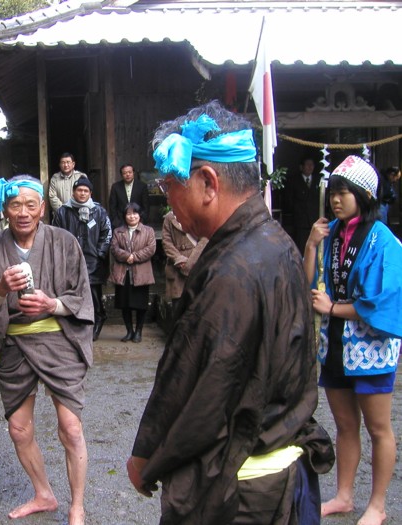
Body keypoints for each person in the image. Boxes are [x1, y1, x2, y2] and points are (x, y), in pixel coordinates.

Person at [127, 101, 334, 524]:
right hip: (282, 473)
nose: (168, 204)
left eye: (170, 188)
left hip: (243, 494)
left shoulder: (233, 272)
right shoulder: (276, 242)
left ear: (208, 182)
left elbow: (205, 394)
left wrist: (149, 455)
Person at [0, 175, 93, 525]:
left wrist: (52, 304)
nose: (23, 212)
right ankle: (43, 493)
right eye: (15, 205)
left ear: (42, 208)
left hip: (58, 339)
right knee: (19, 429)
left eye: (30, 204)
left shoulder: (65, 242)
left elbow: (82, 295)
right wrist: (0, 287)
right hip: (15, 342)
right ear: (4, 209)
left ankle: (77, 506)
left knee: (70, 427)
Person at [304, 155, 402, 525]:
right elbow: (308, 284)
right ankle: (344, 496)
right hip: (337, 344)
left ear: (363, 194)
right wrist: (312, 246)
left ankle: (377, 505)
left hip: (372, 347)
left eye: (344, 192)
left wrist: (334, 308)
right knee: (345, 425)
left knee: (379, 428)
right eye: (333, 193)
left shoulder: (384, 241)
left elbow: (384, 301)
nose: (336, 200)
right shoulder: (331, 235)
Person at [52, 177, 112, 341]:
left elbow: (107, 232)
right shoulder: (63, 211)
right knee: (72, 291)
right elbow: (55, 235)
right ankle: (77, 324)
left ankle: (98, 319)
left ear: (90, 193)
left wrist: (100, 253)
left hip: (93, 260)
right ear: (73, 192)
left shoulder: (98, 211)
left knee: (93, 293)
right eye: (79, 190)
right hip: (70, 260)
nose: (82, 193)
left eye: (86, 191)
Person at [108, 203, 156, 343]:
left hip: (141, 273)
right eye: (129, 214)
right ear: (124, 216)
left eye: (135, 213)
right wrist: (126, 256)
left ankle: (139, 331)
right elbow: (114, 248)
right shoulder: (118, 231)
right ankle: (129, 331)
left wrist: (134, 257)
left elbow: (151, 248)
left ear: (140, 215)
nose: (132, 216)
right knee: (125, 304)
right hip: (123, 273)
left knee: (141, 304)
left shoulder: (148, 231)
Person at [161, 210, 207, 320]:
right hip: (176, 267)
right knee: (178, 310)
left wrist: (190, 262)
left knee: (197, 307)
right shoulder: (169, 217)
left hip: (197, 265)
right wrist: (178, 259)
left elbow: (205, 239)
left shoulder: (199, 213)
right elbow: (166, 241)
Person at [281, 154, 322, 254]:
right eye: (307, 165)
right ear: (301, 167)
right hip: (300, 222)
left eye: (312, 165)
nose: (310, 167)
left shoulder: (319, 180)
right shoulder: (293, 181)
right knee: (301, 249)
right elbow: (289, 201)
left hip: (315, 220)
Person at [108, 164, 150, 229]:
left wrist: (142, 222)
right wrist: (116, 222)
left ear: (134, 173)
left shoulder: (142, 186)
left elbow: (146, 206)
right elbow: (112, 206)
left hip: (139, 222)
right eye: (124, 173)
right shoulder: (115, 187)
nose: (127, 174)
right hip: (120, 223)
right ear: (121, 175)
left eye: (130, 172)